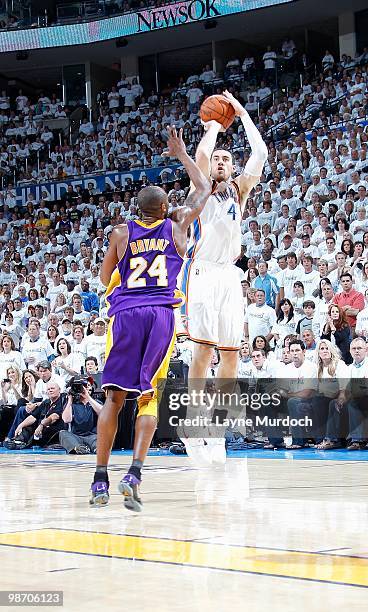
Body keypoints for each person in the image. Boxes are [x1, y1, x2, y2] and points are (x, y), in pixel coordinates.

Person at [90, 127, 211, 510]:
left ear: (137, 209)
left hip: (125, 315)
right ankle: (135, 473)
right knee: (149, 397)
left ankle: (98, 480)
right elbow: (205, 188)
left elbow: (103, 277)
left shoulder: (120, 234)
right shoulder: (177, 227)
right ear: (164, 207)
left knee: (113, 397)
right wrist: (181, 154)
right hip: (161, 315)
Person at [179, 90, 267, 464]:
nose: (219, 161)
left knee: (231, 356)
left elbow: (260, 154)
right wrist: (214, 125)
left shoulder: (239, 190)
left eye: (226, 159)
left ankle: (217, 422)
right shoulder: (200, 187)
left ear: (232, 168)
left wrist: (243, 112)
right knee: (203, 351)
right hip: (201, 273)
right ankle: (192, 421)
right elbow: (199, 155)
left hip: (231, 277)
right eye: (216, 158)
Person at [59, 379, 103, 454]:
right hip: (76, 436)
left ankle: (97, 448)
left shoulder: (96, 402)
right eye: (82, 387)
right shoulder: (71, 404)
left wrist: (88, 397)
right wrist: (70, 400)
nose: (85, 388)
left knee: (101, 437)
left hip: (93, 436)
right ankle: (79, 448)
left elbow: (103, 413)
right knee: (63, 433)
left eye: (88, 386)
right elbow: (66, 420)